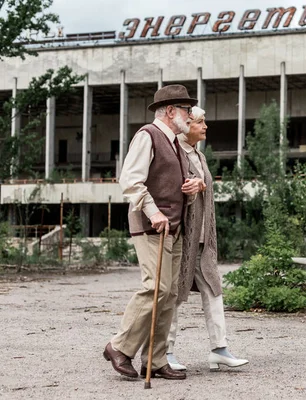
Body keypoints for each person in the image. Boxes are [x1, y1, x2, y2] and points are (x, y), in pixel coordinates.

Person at [103, 85, 205, 380]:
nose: (190, 115)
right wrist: (154, 212)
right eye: (186, 110)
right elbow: (131, 180)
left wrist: (192, 188)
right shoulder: (148, 135)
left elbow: (177, 182)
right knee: (155, 287)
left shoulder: (175, 142)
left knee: (169, 294)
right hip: (151, 224)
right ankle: (119, 347)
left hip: (173, 226)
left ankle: (155, 359)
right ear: (171, 111)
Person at [166, 106, 249, 372]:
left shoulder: (199, 155)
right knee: (175, 294)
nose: (205, 127)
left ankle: (219, 349)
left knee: (214, 289)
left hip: (203, 238)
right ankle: (164, 352)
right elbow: (172, 188)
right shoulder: (174, 152)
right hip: (182, 237)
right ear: (187, 124)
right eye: (201, 122)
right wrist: (193, 186)